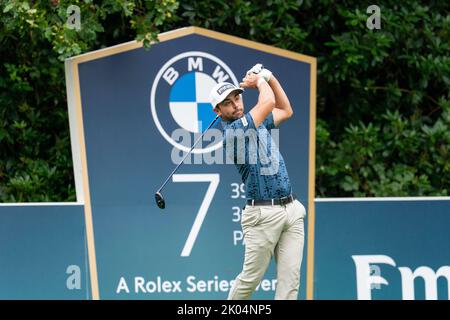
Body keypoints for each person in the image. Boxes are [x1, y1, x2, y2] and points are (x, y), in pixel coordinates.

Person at [208, 64, 306, 300]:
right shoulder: (233, 133)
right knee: (250, 279)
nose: (236, 105)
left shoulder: (258, 123)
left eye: (237, 98)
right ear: (218, 111)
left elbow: (286, 109)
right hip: (262, 214)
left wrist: (270, 77)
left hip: (291, 210)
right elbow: (268, 103)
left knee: (290, 282)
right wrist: (260, 80)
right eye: (228, 103)